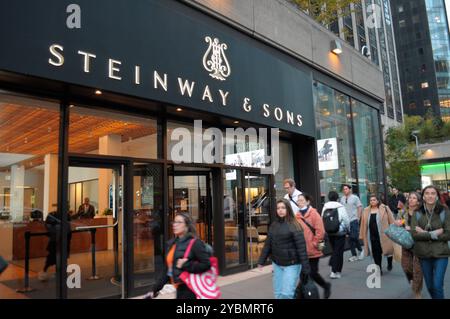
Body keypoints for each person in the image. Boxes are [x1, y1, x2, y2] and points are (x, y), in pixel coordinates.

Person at [258, 199, 311, 299]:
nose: (280, 210)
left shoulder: (295, 225)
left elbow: (301, 248)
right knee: (278, 293)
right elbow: (268, 244)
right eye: (278, 208)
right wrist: (261, 260)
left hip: (292, 264)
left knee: (287, 293)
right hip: (277, 264)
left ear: (288, 209)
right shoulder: (274, 225)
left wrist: (306, 267)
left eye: (283, 208)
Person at [151, 213, 211, 299]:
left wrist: (186, 265)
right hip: (180, 290)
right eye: (174, 222)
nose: (175, 225)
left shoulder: (195, 243)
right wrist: (154, 289)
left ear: (187, 226)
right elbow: (167, 272)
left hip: (192, 290)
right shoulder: (172, 244)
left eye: (179, 222)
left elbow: (206, 264)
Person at [411, 185, 450, 299]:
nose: (430, 196)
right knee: (430, 286)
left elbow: (448, 234)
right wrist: (434, 233)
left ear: (437, 196)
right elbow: (414, 234)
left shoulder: (444, 211)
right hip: (423, 254)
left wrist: (423, 233)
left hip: (441, 254)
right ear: (423, 196)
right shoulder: (417, 212)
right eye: (427, 193)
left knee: (437, 285)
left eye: (433, 193)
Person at [296, 193, 331, 299]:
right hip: (302, 251)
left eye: (302, 200)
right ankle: (302, 293)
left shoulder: (314, 214)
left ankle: (325, 286)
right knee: (303, 273)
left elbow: (320, 232)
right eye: (298, 201)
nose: (299, 202)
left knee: (312, 273)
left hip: (314, 250)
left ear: (307, 202)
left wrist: (314, 244)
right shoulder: (296, 216)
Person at [394, 192, 423, 299]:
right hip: (405, 243)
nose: (411, 200)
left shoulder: (421, 213)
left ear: (418, 201)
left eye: (414, 198)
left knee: (418, 270)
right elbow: (398, 224)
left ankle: (417, 292)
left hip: (419, 244)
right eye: (410, 198)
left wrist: (411, 228)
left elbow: (426, 227)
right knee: (406, 266)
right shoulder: (402, 212)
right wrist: (398, 224)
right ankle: (413, 281)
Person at [360, 194, 395, 275]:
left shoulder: (385, 208)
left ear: (378, 200)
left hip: (384, 235)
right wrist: (362, 235)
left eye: (374, 200)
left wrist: (393, 231)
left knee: (388, 251)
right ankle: (379, 269)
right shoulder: (366, 210)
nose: (372, 201)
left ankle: (389, 263)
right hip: (372, 236)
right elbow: (363, 224)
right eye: (371, 200)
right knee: (376, 253)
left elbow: (391, 220)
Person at [322, 191, 350, 279]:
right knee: (339, 252)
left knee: (334, 250)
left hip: (330, 233)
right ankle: (336, 271)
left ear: (329, 198)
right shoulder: (340, 207)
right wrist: (348, 230)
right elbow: (346, 220)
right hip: (340, 232)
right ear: (337, 198)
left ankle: (333, 268)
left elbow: (322, 218)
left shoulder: (325, 207)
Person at [39, 210, 72, 281]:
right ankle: (45, 272)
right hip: (57, 242)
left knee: (60, 258)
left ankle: (59, 272)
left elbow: (68, 231)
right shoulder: (56, 216)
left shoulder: (64, 217)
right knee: (53, 258)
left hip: (61, 242)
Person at [340, 184, 364, 262]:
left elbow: (359, 207)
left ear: (350, 190)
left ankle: (360, 249)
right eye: (344, 189)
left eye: (346, 189)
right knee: (350, 239)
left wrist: (358, 218)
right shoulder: (342, 198)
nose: (345, 190)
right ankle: (354, 255)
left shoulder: (355, 198)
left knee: (354, 236)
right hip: (346, 221)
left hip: (354, 219)